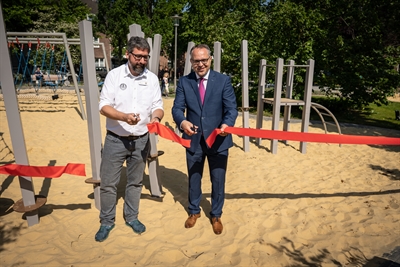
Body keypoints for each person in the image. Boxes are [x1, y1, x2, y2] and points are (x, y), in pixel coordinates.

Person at [96, 36, 164, 242]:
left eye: (145, 57)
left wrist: (155, 118)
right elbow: (104, 106)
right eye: (138, 56)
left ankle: (132, 217)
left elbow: (158, 105)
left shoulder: (151, 79)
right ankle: (107, 221)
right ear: (128, 54)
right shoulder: (114, 76)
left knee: (135, 182)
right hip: (116, 139)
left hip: (141, 140)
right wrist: (123, 116)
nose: (142, 61)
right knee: (108, 183)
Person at [172, 44, 238, 235]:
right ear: (191, 62)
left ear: (210, 60)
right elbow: (177, 108)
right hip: (193, 139)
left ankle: (216, 214)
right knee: (194, 178)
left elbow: (231, 108)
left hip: (219, 139)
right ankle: (194, 211)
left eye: (204, 60)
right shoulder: (184, 82)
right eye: (196, 61)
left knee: (218, 179)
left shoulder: (223, 81)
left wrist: (227, 124)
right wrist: (183, 122)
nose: (200, 64)